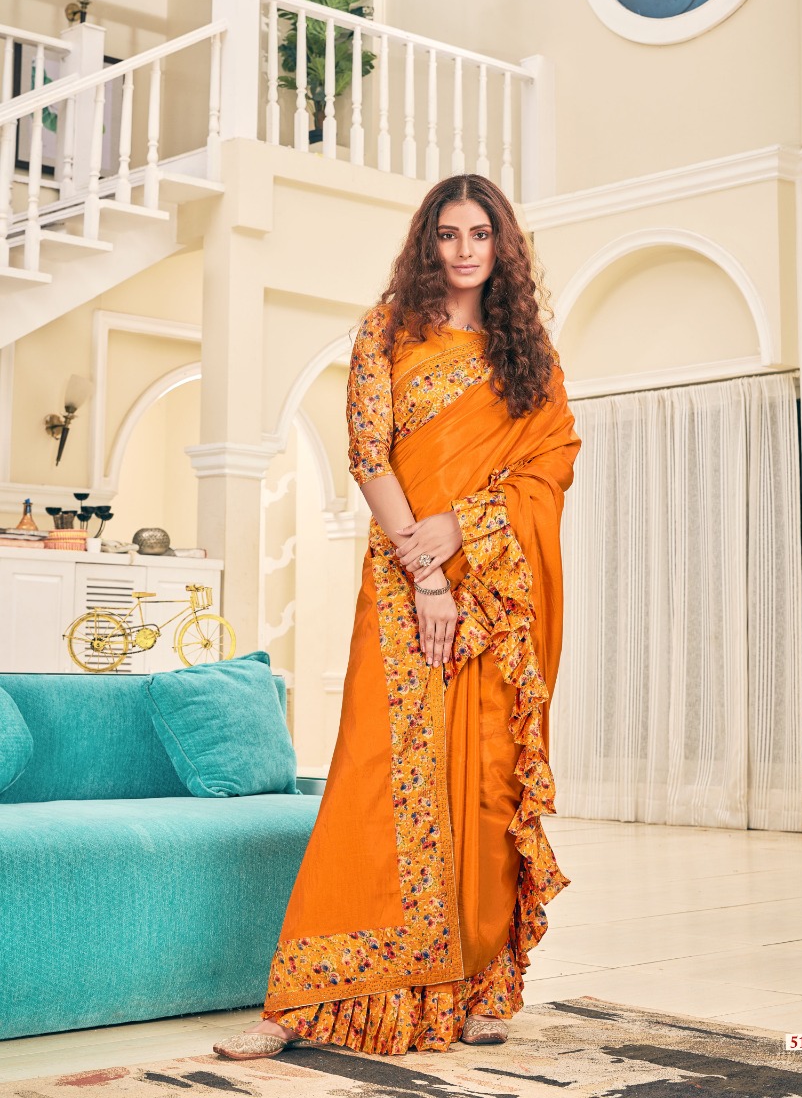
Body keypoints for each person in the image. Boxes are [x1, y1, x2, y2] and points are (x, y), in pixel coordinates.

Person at [214, 174, 581, 1059]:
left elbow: (548, 466)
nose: (464, 250)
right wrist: (427, 571)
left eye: (480, 234)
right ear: (427, 243)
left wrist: (465, 529)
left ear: (503, 246)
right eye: (448, 234)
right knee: (373, 776)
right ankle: (303, 1001)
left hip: (493, 593)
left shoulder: (527, 355)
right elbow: (369, 454)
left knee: (485, 779)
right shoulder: (387, 331)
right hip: (401, 581)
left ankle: (479, 985)